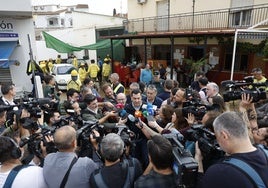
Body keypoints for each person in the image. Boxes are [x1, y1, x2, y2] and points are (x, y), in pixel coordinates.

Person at [196, 111, 268, 188]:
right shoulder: (265, 151)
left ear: (224, 136)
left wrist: (199, 163)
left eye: (216, 136)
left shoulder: (219, 172)